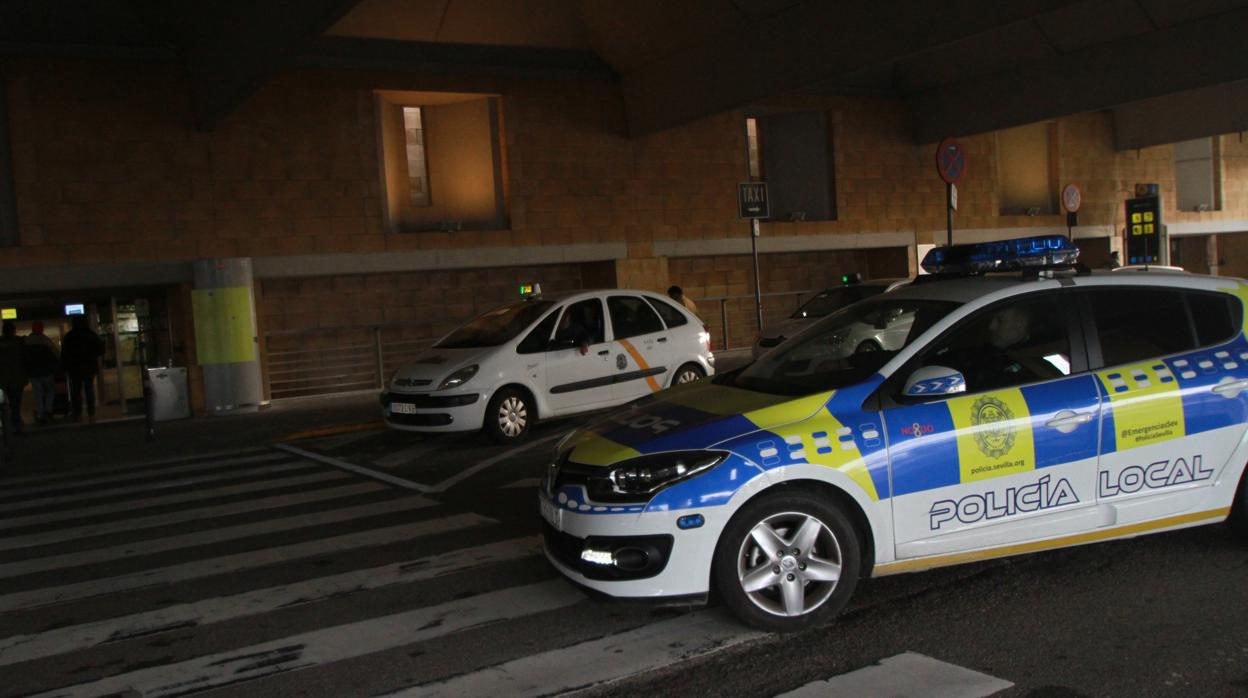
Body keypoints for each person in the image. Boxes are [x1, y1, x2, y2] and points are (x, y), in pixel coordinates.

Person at [60, 316, 105, 422]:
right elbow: (100, 350)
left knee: (76, 390)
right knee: (89, 389)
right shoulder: (91, 335)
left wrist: (65, 366)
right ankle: (91, 413)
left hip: (74, 368)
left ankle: (78, 413)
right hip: (89, 366)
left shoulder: (70, 336)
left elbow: (64, 353)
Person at [24, 321, 60, 425]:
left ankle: (40, 413)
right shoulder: (46, 341)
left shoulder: (27, 341)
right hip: (47, 371)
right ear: (41, 329)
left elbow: (24, 358)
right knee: (50, 391)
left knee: (38, 394)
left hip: (34, 373)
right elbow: (56, 354)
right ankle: (48, 411)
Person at [0, 321, 27, 435]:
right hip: (17, 377)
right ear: (13, 330)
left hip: (2, 378)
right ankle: (16, 424)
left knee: (3, 403)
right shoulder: (19, 343)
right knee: (15, 402)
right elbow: (25, 359)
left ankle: (6, 424)